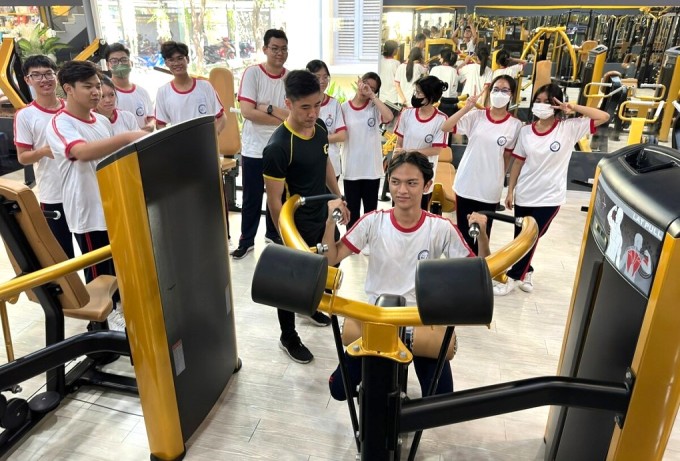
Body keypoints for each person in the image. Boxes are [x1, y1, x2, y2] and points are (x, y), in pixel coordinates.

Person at [324, 152, 489, 399]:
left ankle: (401, 409)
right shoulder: (373, 222)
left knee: (441, 400)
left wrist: (483, 235)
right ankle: (376, 398)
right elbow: (331, 257)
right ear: (388, 182)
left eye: (412, 183)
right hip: (378, 318)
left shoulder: (439, 227)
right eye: (395, 182)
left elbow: (480, 272)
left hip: (420, 319)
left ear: (427, 186)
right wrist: (329, 223)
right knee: (339, 390)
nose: (402, 190)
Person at [45, 60, 147, 327]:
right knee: (99, 279)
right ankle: (99, 333)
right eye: (88, 86)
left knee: (120, 272)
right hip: (88, 213)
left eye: (98, 85)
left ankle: (121, 322)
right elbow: (81, 152)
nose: (96, 92)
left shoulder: (101, 120)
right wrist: (128, 137)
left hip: (113, 207)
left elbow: (111, 160)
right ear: (68, 89)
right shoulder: (60, 124)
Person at [262, 70, 347, 363]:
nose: (313, 114)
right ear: (288, 103)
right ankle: (288, 336)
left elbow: (325, 166)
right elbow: (274, 201)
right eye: (305, 107)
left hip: (319, 216)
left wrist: (338, 197)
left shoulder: (321, 128)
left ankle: (311, 307)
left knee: (322, 266)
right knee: (288, 285)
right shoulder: (278, 147)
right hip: (290, 225)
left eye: (317, 105)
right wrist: (286, 239)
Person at [500, 83, 609, 295]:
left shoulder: (569, 128)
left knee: (532, 237)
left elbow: (603, 116)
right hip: (525, 194)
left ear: (557, 105)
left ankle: (514, 277)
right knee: (521, 238)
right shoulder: (525, 132)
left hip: (549, 197)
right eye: (537, 102)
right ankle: (527, 271)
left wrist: (573, 107)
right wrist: (510, 190)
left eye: (547, 102)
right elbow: (518, 163)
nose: (541, 106)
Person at [441, 75, 523, 254]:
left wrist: (503, 184)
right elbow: (446, 127)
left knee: (482, 233)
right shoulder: (476, 116)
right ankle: (463, 268)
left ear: (512, 95)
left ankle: (478, 270)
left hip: (489, 188)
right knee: (463, 233)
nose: (499, 93)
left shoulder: (515, 125)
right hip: (466, 183)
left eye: (505, 90)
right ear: (490, 92)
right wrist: (467, 108)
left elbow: (507, 159)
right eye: (496, 89)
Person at [231, 29, 290, 259]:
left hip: (281, 148)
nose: (279, 53)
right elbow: (247, 112)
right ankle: (246, 240)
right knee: (251, 197)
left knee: (279, 196)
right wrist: (279, 114)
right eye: (274, 48)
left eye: (283, 48)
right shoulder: (252, 74)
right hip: (255, 148)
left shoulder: (290, 77)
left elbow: (292, 114)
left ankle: (274, 233)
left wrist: (266, 107)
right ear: (265, 49)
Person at [14, 55, 73, 258]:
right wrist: (44, 151)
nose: (44, 79)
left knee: (96, 252)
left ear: (56, 76)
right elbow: (23, 157)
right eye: (36, 75)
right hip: (53, 194)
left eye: (48, 73)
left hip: (82, 190)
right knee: (63, 255)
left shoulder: (73, 107)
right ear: (27, 80)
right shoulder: (25, 116)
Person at [341, 72, 394, 230]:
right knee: (352, 211)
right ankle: (351, 242)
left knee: (371, 212)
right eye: (365, 84)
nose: (366, 89)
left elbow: (389, 116)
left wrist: (373, 97)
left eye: (372, 88)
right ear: (359, 82)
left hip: (372, 169)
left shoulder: (375, 108)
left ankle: (370, 240)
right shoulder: (344, 108)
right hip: (351, 168)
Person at [393, 75, 449, 210]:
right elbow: (399, 142)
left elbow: (436, 150)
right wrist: (395, 162)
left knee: (419, 210)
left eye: (419, 93)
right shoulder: (407, 114)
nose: (415, 96)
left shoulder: (441, 119)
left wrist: (409, 152)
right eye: (415, 92)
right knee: (399, 208)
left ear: (430, 96)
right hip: (404, 169)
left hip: (424, 172)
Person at [155, 41, 226, 133]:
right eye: (171, 60)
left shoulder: (205, 86)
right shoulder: (163, 92)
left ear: (187, 59)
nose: (176, 63)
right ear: (166, 63)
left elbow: (221, 117)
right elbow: (160, 124)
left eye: (180, 58)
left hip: (206, 145)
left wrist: (212, 136)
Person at [306, 60, 346, 180]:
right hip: (307, 164)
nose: (322, 81)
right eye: (317, 77)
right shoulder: (301, 103)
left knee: (330, 197)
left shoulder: (334, 104)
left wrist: (316, 139)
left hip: (332, 163)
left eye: (325, 77)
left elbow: (342, 136)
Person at [105, 43, 154, 131]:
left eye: (124, 60)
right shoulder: (104, 94)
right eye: (114, 61)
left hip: (143, 142)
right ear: (108, 65)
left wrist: (151, 125)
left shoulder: (142, 92)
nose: (120, 64)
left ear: (130, 63)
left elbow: (151, 117)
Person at [430, 48, 459, 116]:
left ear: (443, 59)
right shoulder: (454, 71)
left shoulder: (435, 69)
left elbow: (430, 85)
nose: (439, 60)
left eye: (440, 58)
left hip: (436, 103)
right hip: (451, 104)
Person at [378, 40, 401, 105]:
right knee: (392, 115)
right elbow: (399, 80)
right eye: (397, 48)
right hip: (393, 98)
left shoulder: (380, 62)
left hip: (382, 97)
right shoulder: (397, 63)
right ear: (394, 50)